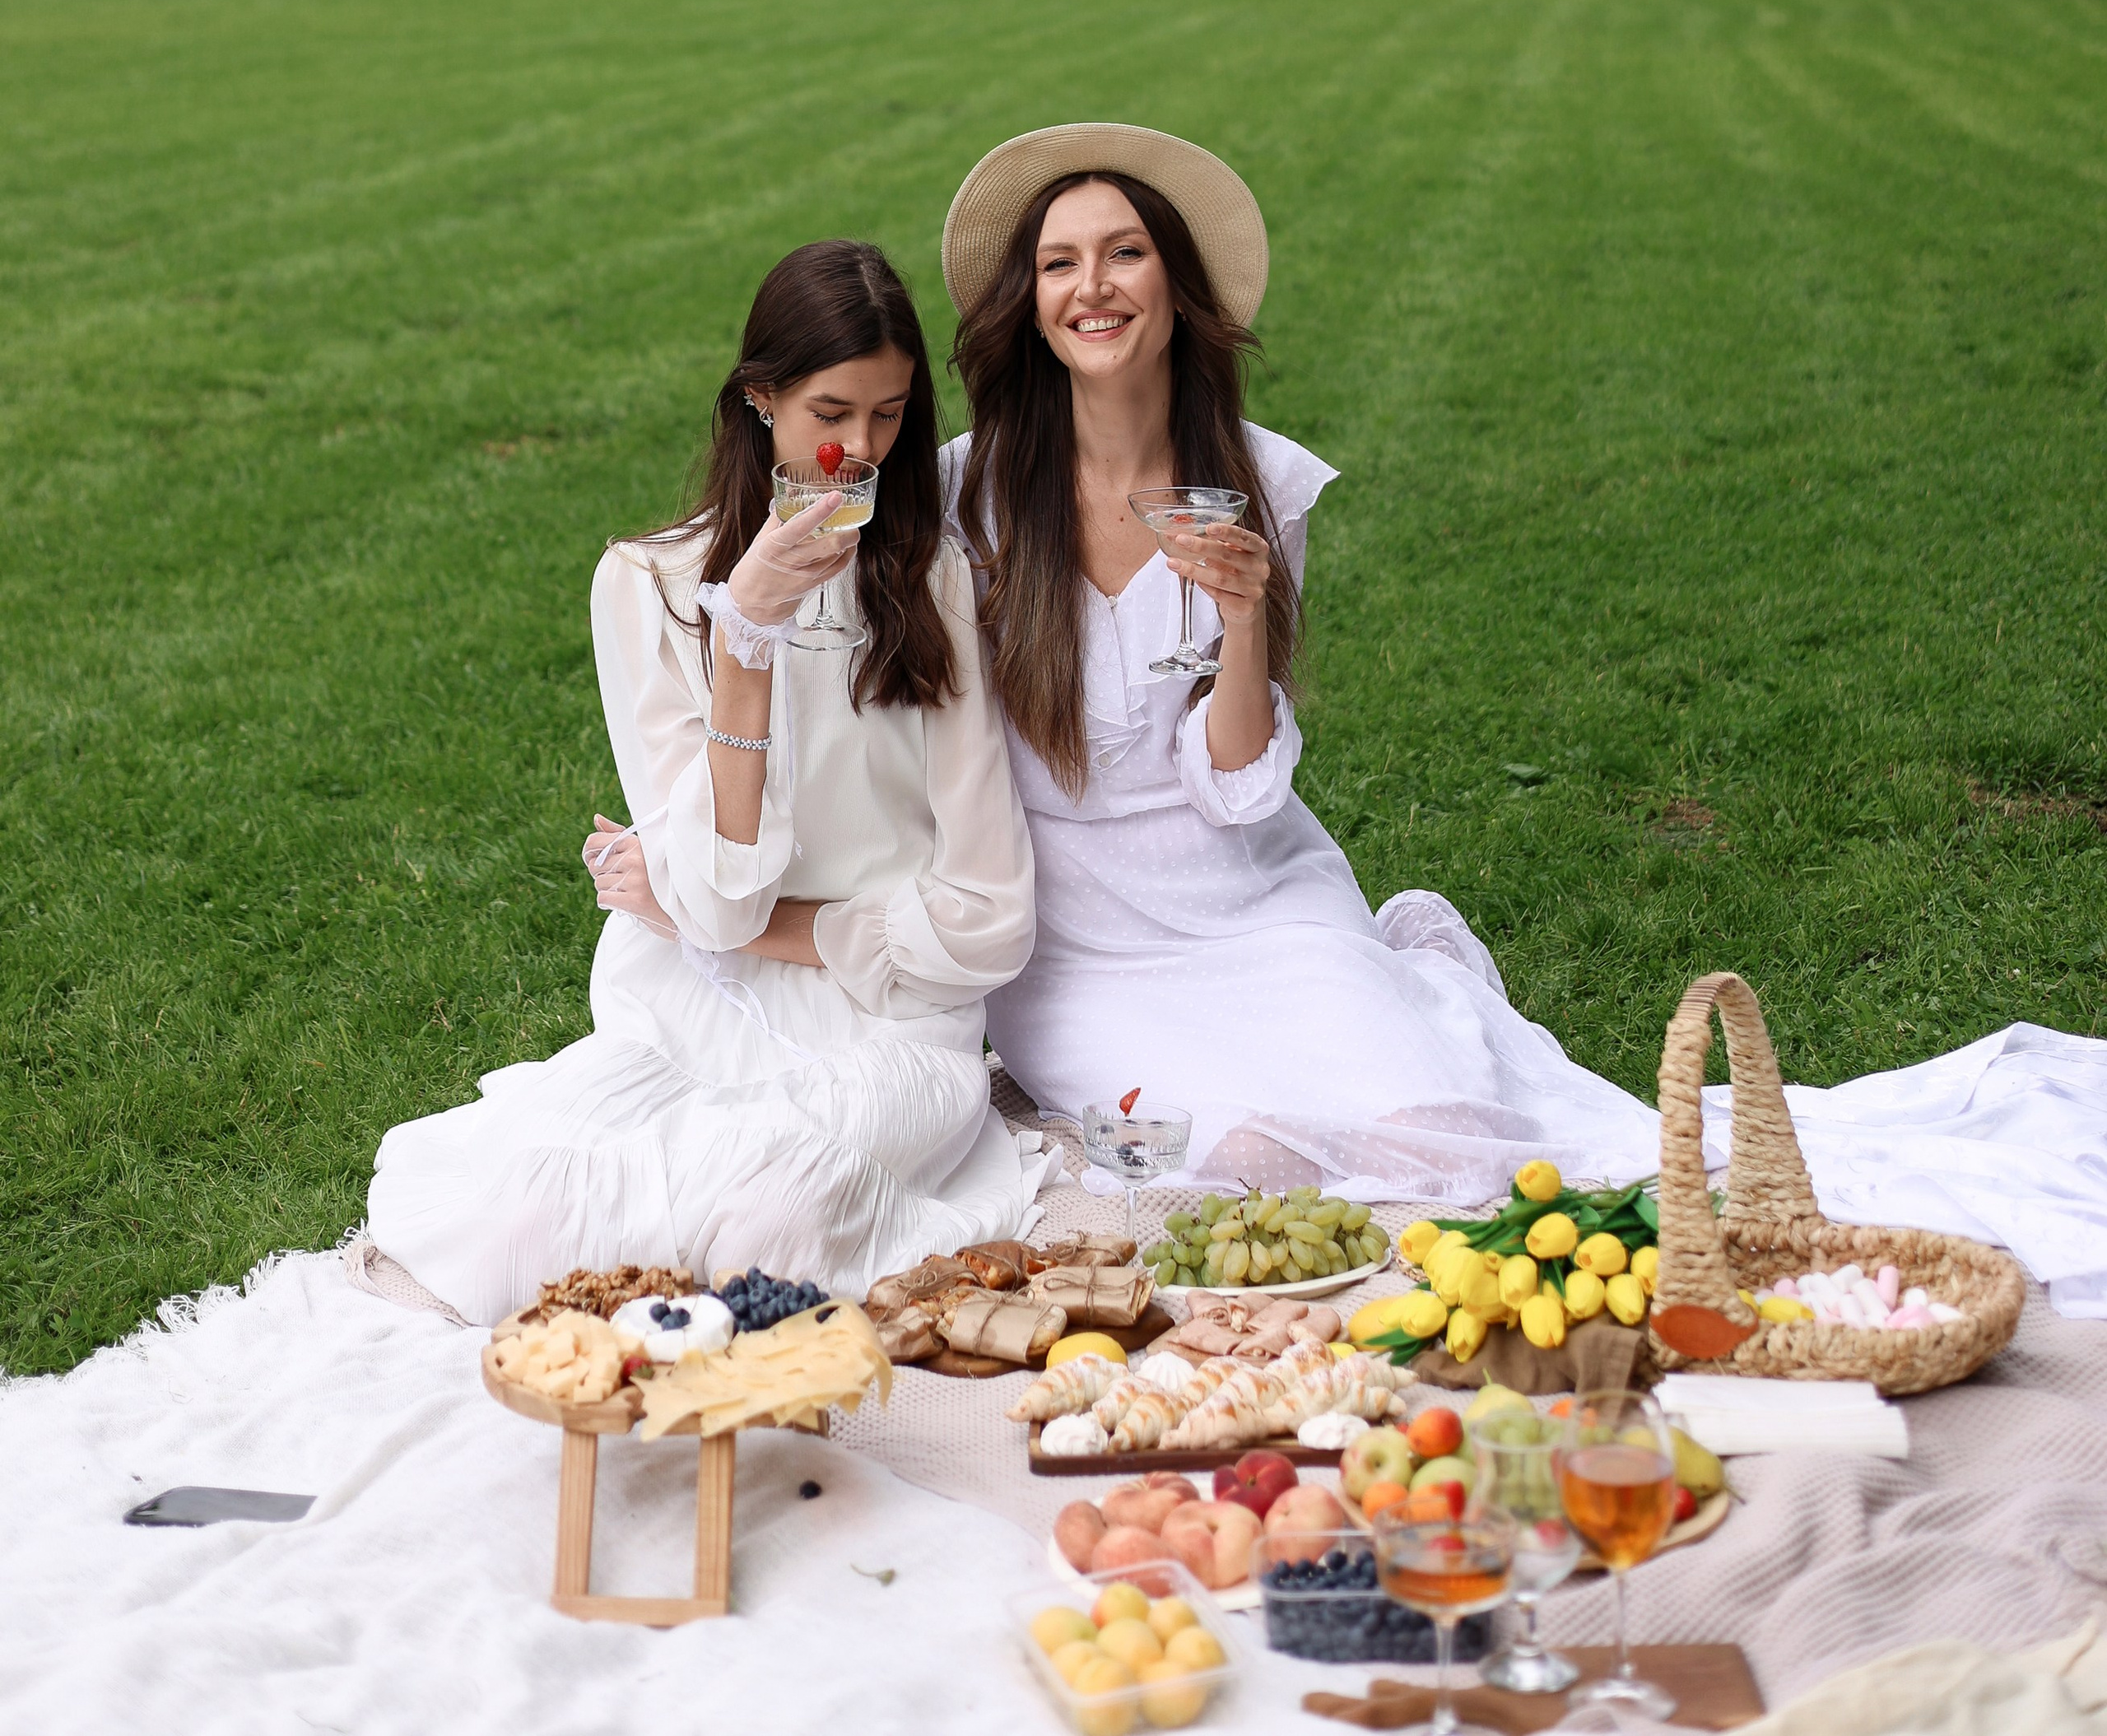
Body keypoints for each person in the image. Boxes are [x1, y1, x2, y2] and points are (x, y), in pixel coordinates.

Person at [937, 123, 1658, 1207]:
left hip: (1257, 902)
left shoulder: (1259, 484)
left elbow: (1236, 787)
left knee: (1444, 1148)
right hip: (1076, 953)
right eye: (1059, 262)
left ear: (1177, 283)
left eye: (1126, 253)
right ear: (1029, 305)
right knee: (1244, 1168)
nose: (1095, 286)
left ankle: (1399, 1007)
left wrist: (1242, 619)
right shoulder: (963, 498)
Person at [365, 241, 1040, 1320]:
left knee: (765, 1217)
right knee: (526, 1219)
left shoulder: (936, 583)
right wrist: (749, 635)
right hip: (695, 1009)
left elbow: (991, 920)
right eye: (830, 413)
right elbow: (720, 895)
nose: (858, 450)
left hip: (891, 1018)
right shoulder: (645, 586)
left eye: (890, 414)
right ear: (759, 401)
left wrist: (730, 921)